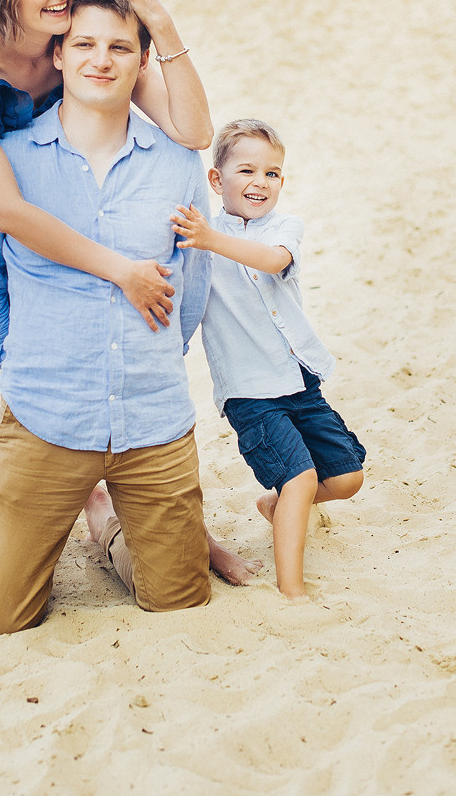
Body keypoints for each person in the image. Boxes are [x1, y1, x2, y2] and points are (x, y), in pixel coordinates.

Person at [0, 0, 257, 613]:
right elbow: (5, 211)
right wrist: (119, 274)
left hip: (95, 178)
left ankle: (149, 520)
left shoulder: (80, 28)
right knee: (24, 394)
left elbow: (189, 131)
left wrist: (160, 25)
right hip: (4, 188)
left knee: (104, 372)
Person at [0, 0, 213, 633]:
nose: (102, 59)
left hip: (152, 420)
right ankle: (49, 517)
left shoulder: (176, 165)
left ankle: (104, 529)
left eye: (120, 47)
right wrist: (20, 362)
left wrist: (151, 355)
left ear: (140, 63)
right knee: (0, 619)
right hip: (47, 416)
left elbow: (194, 279)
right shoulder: (5, 162)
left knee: (179, 599)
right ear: (60, 58)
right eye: (86, 44)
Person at [171, 118, 365, 602]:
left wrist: (211, 240)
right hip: (250, 391)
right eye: (246, 171)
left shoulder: (282, 227)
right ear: (217, 180)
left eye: (272, 173)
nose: (260, 182)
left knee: (346, 478)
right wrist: (204, 239)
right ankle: (292, 589)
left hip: (298, 379)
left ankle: (275, 505)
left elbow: (274, 260)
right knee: (299, 477)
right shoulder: (200, 234)